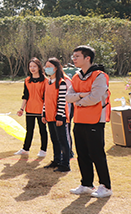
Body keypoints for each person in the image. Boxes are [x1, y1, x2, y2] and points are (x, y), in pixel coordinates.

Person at [66, 45, 112, 198]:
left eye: (77, 56)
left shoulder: (99, 76)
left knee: (97, 153)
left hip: (95, 120)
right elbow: (68, 97)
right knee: (82, 154)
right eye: (73, 56)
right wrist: (81, 95)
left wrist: (77, 99)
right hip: (79, 120)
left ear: (88, 58)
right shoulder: (76, 76)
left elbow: (95, 98)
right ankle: (86, 184)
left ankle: (105, 186)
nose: (74, 59)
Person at [41, 58, 71, 172]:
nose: (47, 68)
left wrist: (60, 116)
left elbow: (62, 101)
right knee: (54, 139)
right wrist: (44, 113)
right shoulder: (48, 82)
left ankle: (65, 164)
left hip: (58, 116)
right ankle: (56, 160)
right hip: (49, 116)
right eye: (46, 66)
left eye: (49, 66)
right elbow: (46, 100)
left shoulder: (61, 83)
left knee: (62, 140)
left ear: (56, 68)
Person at [15, 58, 49, 157]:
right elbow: (25, 96)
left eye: (34, 66)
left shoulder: (45, 80)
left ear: (39, 67)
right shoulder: (27, 80)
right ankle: (25, 149)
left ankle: (43, 150)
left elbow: (46, 97)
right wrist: (21, 109)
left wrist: (45, 110)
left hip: (41, 110)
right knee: (29, 130)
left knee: (42, 130)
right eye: (30, 66)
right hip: (29, 109)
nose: (32, 68)